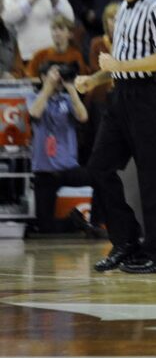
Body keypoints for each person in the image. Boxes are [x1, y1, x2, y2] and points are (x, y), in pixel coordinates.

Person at [75, 0, 156, 274]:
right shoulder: (124, 10)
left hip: (149, 96)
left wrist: (118, 66)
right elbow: (121, 63)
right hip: (121, 97)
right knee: (99, 167)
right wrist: (96, 77)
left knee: (151, 177)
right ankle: (126, 240)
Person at [27, 63, 94, 234]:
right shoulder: (33, 96)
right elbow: (35, 113)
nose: (58, 77)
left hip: (69, 168)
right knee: (45, 227)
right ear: (43, 76)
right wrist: (48, 87)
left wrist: (71, 89)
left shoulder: (66, 99)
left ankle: (97, 222)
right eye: (54, 73)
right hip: (45, 172)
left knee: (102, 178)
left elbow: (83, 116)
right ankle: (74, 222)